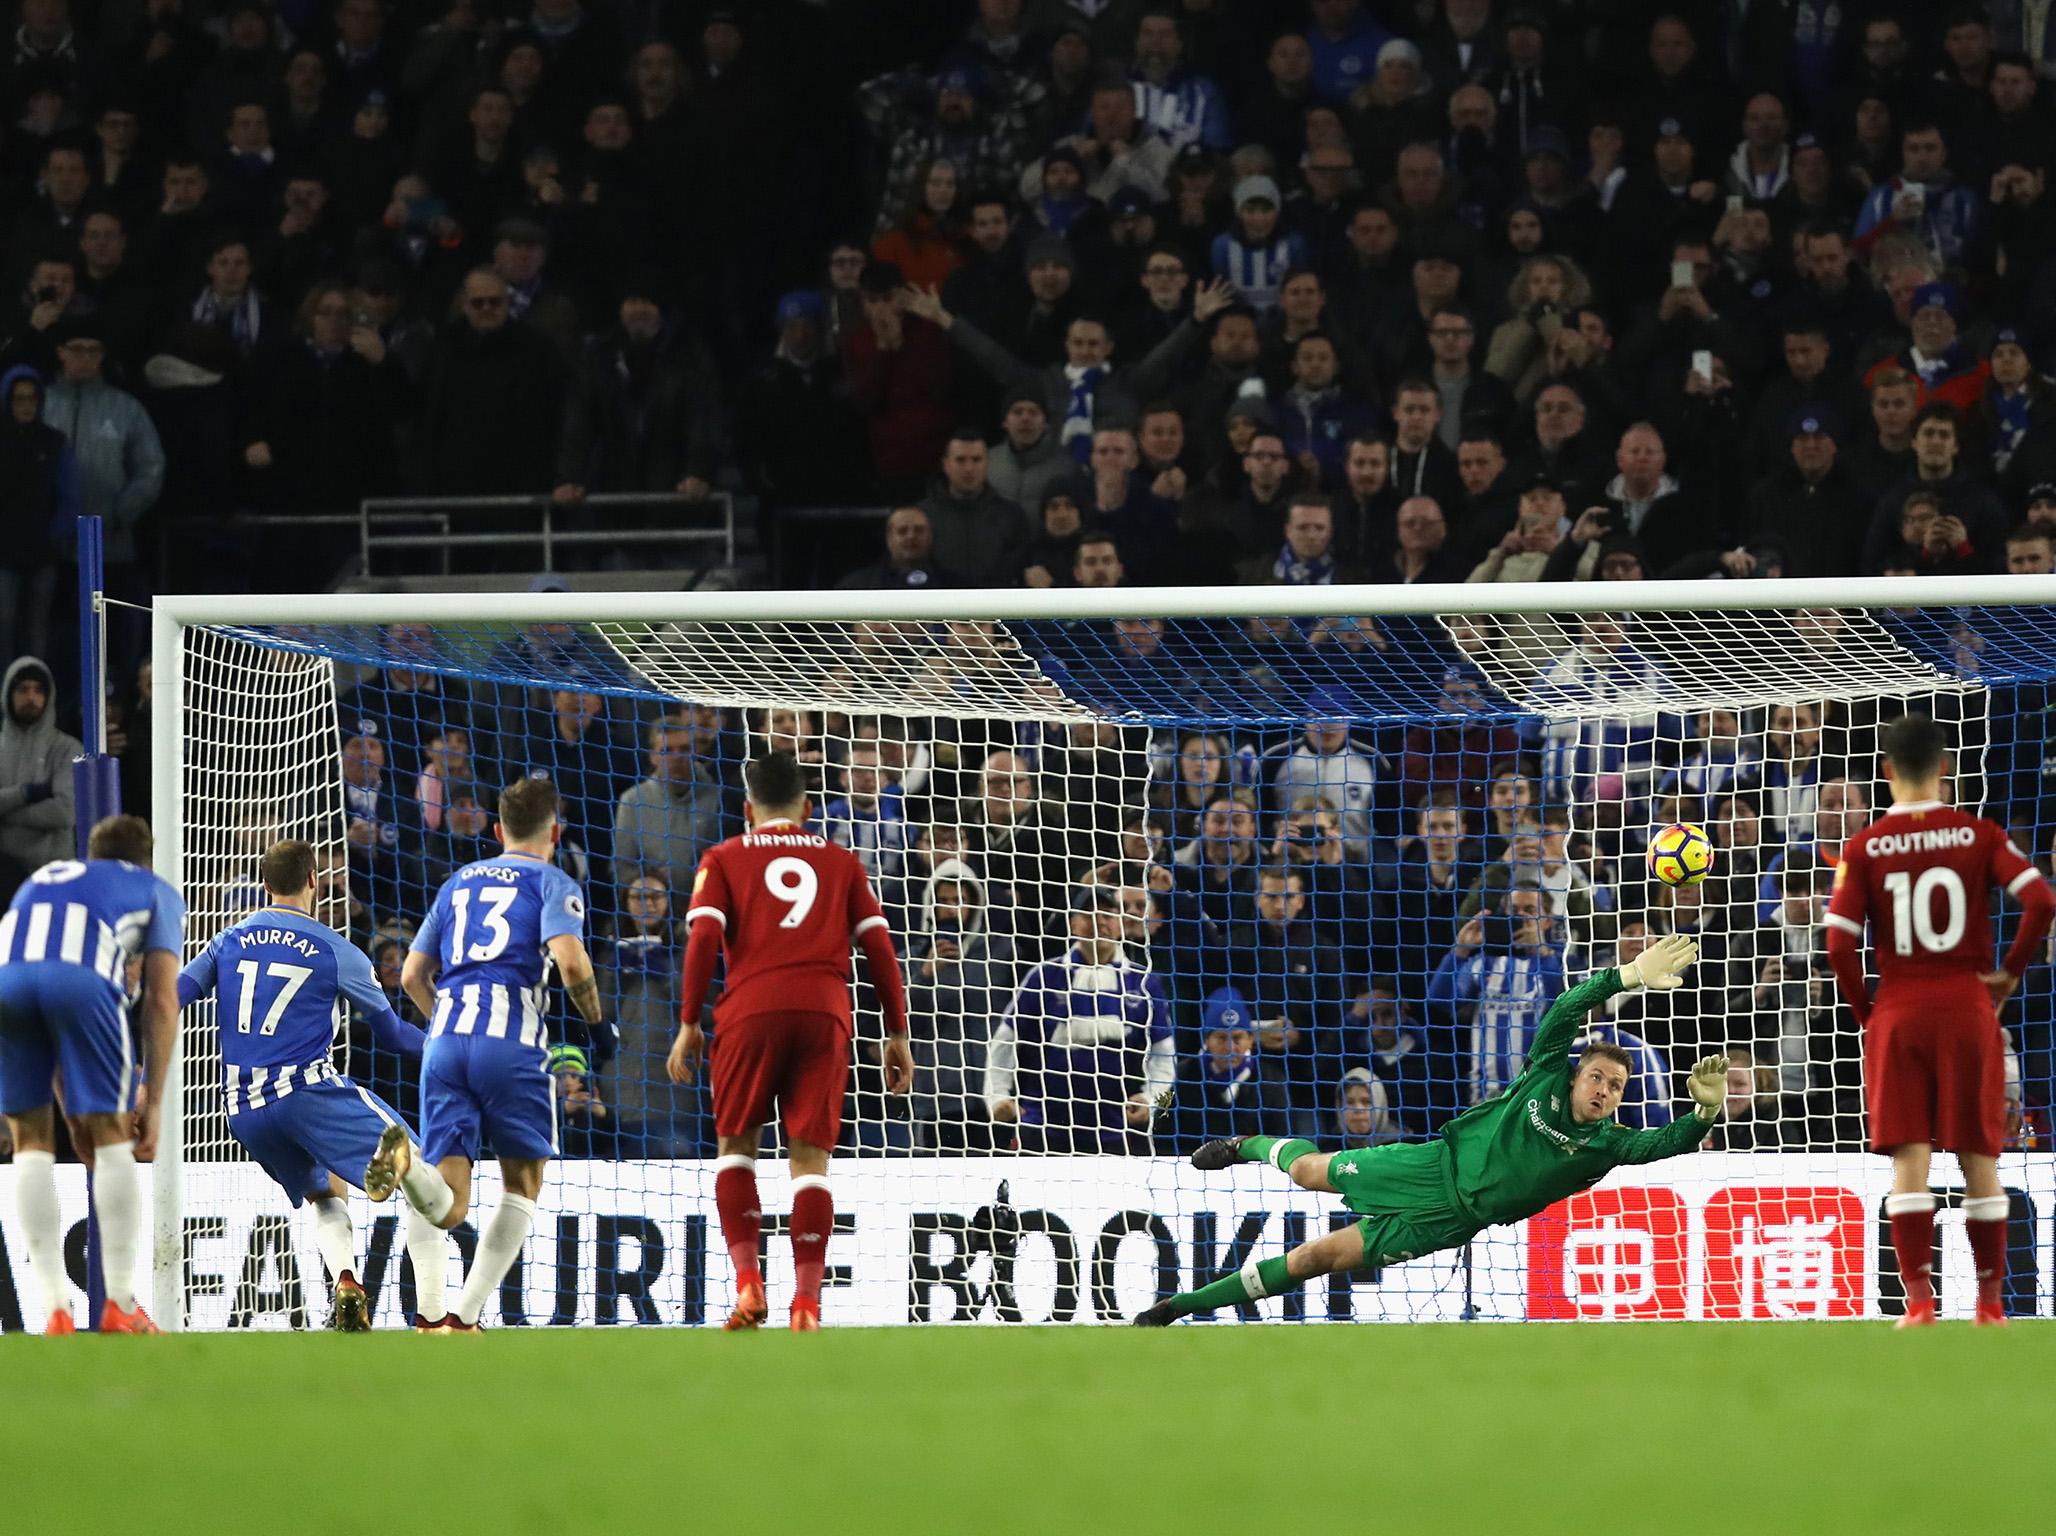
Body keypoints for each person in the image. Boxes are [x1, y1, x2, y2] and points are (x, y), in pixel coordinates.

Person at [1134, 935, 1726, 1323]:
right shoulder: (1545, 1074)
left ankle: (1177, 1308)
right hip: (1428, 1165)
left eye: (1616, 1087)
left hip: (1450, 1219)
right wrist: (1623, 976)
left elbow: (1661, 1144)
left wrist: (1703, 1113)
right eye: (1596, 1077)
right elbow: (1565, 1009)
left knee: (1317, 1257)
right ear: (1576, 1078)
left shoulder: (1606, 1146)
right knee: (1310, 1171)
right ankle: (1245, 1145)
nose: (1603, 1090)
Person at [1823, 713, 2055, 1327]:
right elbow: (2041, 900)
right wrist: (2008, 974)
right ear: (1946, 767)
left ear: (1886, 771)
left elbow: (1839, 944)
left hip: (1900, 1011)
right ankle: (1989, 1304)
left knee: (1911, 1161)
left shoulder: (1865, 847)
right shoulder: (1978, 834)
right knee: (1982, 1159)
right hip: (1967, 1008)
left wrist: (1866, 1011)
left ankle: (1920, 1303)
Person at [666, 750, 911, 1331]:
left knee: (735, 1150)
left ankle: (750, 1285)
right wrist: (896, 1030)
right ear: (806, 807)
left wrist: (689, 1021)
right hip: (825, 1014)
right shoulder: (841, 860)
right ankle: (806, 1303)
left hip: (749, 1011)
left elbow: (703, 936)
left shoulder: (724, 856)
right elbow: (879, 949)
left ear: (748, 808)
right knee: (810, 1165)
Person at [177, 837, 445, 1331]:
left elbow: (172, 996)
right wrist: (446, 1048)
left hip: (242, 1110)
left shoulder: (227, 939)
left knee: (325, 1192)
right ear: (313, 883)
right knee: (423, 1174)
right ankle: (433, 1315)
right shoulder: (337, 951)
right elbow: (391, 1036)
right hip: (306, 1091)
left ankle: (346, 1281)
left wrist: (148, 1072)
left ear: (263, 887)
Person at [373, 776, 608, 1332]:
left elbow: (410, 975)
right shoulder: (553, 882)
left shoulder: (457, 882)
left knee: (449, 1201)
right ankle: (465, 1317)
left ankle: (409, 1179)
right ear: (557, 830)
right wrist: (598, 1028)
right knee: (522, 1183)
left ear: (498, 829)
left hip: (446, 1041)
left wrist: (446, 1026)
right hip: (512, 1046)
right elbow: (572, 965)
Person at [0, 814, 184, 1334]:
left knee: (30, 1140)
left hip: (6, 980)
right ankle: (120, 1302)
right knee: (111, 1142)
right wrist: (153, 1102)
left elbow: (41, 984)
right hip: (81, 981)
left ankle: (56, 1307)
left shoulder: (46, 876)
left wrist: (71, 1108)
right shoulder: (154, 889)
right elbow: (163, 1000)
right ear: (143, 859)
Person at [983, 884, 1173, 1155]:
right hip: (1042, 1126)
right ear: (1073, 925)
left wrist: (1151, 1099)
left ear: (1120, 924)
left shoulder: (1143, 982)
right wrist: (997, 1096)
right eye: (1089, 914)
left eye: (1108, 914)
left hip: (1115, 1129)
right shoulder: (1045, 976)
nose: (1099, 922)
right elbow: (1005, 1039)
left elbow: (1165, 1053)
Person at [0, 656, 82, 897]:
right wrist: (25, 793)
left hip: (56, 876)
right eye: (23, 689)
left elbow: (65, 811)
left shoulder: (67, 748)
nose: (31, 698)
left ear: (49, 696)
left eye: (38, 690)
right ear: (8, 694)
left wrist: (7, 815)